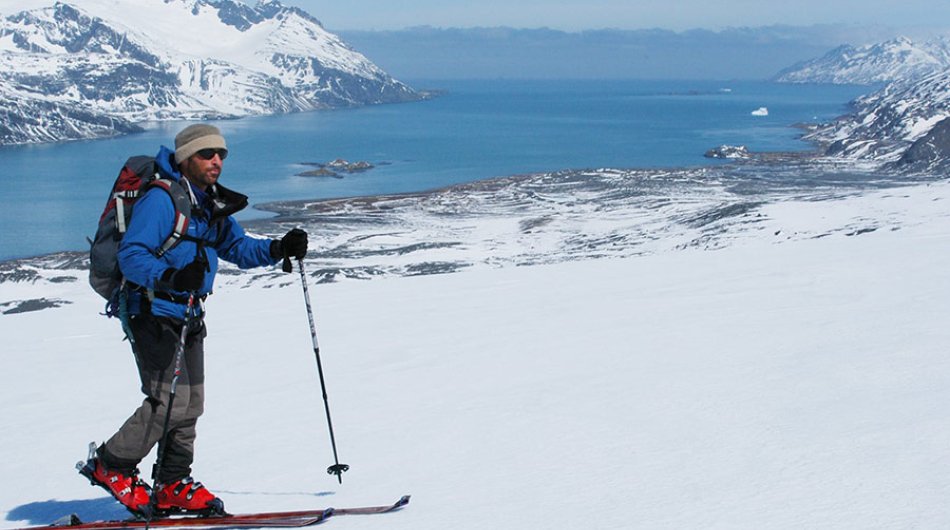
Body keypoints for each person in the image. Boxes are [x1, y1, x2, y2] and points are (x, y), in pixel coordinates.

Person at [78, 124, 308, 517]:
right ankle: (111, 464)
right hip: (151, 310)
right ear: (186, 158)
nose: (216, 160)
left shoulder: (206, 202)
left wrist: (277, 249)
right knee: (170, 399)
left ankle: (172, 483)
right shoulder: (162, 199)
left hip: (187, 312)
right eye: (207, 154)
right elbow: (132, 256)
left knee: (191, 402)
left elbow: (235, 246)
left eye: (221, 154)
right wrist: (168, 277)